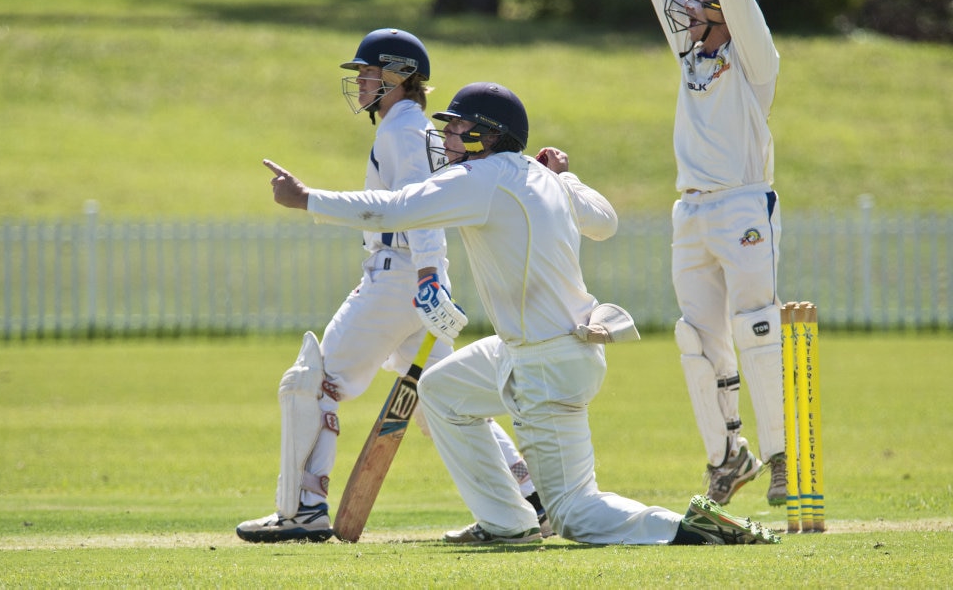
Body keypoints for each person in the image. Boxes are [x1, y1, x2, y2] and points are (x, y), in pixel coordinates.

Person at [262, 81, 780, 546]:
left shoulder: (481, 180)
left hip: (548, 364)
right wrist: (565, 177)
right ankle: (507, 521)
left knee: (577, 513)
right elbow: (605, 221)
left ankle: (688, 526)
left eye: (457, 128)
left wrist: (307, 198)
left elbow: (394, 209)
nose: (444, 139)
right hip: (536, 350)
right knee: (441, 390)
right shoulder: (538, 176)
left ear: (486, 135)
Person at [236, 29, 548, 543]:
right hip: (414, 280)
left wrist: (426, 272)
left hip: (398, 276)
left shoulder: (401, 132)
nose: (359, 82)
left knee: (312, 381)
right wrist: (432, 277)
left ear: (399, 77)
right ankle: (531, 497)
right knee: (438, 398)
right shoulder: (415, 128)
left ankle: (303, 508)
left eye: (368, 73)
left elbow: (417, 208)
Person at [613, 0, 786, 507]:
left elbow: (737, 1)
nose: (685, 10)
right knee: (697, 341)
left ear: (728, 12)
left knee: (757, 326)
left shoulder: (756, 64)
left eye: (700, 2)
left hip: (742, 206)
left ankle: (782, 454)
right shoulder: (690, 54)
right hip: (689, 211)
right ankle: (726, 458)